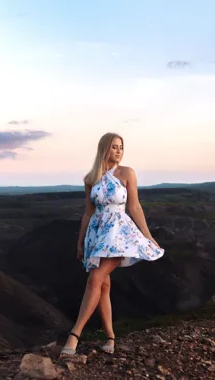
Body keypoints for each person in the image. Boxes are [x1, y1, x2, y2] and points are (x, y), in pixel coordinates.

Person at [59, 132, 165, 358]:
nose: (119, 151)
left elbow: (134, 207)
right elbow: (88, 212)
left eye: (121, 147)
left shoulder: (127, 173)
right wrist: (80, 241)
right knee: (103, 286)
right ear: (104, 149)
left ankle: (74, 335)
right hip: (97, 233)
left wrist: (148, 235)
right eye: (114, 147)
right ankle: (110, 337)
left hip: (119, 233)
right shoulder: (91, 178)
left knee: (95, 279)